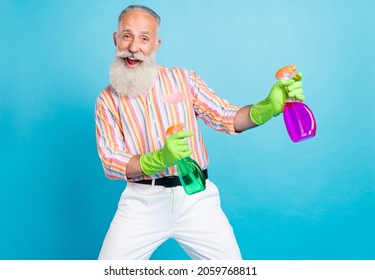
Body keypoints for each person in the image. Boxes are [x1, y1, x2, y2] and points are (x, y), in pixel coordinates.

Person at [95, 5, 304, 260]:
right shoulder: (106, 100)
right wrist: (158, 159)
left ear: (156, 46)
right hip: (142, 201)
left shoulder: (185, 80)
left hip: (195, 197)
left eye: (144, 38)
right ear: (116, 39)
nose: (134, 46)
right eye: (127, 36)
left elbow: (225, 115)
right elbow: (110, 161)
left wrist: (267, 107)